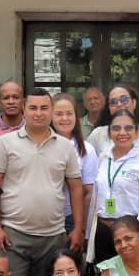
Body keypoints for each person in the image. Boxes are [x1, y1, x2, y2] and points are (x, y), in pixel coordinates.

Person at [0, 87, 84, 276]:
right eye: (33, 108)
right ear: (23, 109)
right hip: (13, 235)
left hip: (53, 236)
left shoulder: (65, 147)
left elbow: (76, 188)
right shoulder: (5, 143)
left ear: (51, 110)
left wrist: (77, 229)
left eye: (44, 108)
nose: (38, 113)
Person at [90, 110, 139, 266]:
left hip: (129, 233)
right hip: (103, 229)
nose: (122, 133)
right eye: (116, 128)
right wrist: (88, 234)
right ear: (109, 132)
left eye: (128, 128)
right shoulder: (103, 158)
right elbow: (95, 196)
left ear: (136, 132)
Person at [52, 93, 98, 242]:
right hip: (44, 218)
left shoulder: (86, 149)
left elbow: (89, 192)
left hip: (71, 218)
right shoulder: (41, 145)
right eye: (58, 114)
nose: (64, 118)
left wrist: (81, 227)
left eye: (69, 114)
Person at [87, 84, 139, 154]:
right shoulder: (98, 135)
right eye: (113, 102)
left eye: (124, 99)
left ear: (134, 103)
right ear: (109, 108)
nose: (119, 104)